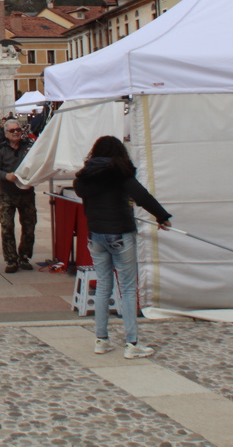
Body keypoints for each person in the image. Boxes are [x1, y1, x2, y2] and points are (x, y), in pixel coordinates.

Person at [74, 136, 172, 359]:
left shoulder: (86, 174)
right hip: (120, 232)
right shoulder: (119, 171)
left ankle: (101, 340)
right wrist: (162, 216)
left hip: (96, 234)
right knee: (127, 288)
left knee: (103, 287)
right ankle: (132, 343)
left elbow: (81, 192)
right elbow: (141, 196)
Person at [0, 119, 35, 273]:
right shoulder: (0, 149)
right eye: (12, 131)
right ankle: (10, 259)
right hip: (7, 192)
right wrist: (6, 175)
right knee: (7, 226)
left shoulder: (29, 147)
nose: (16, 133)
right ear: (6, 133)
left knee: (29, 226)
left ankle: (24, 257)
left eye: (18, 130)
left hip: (26, 192)